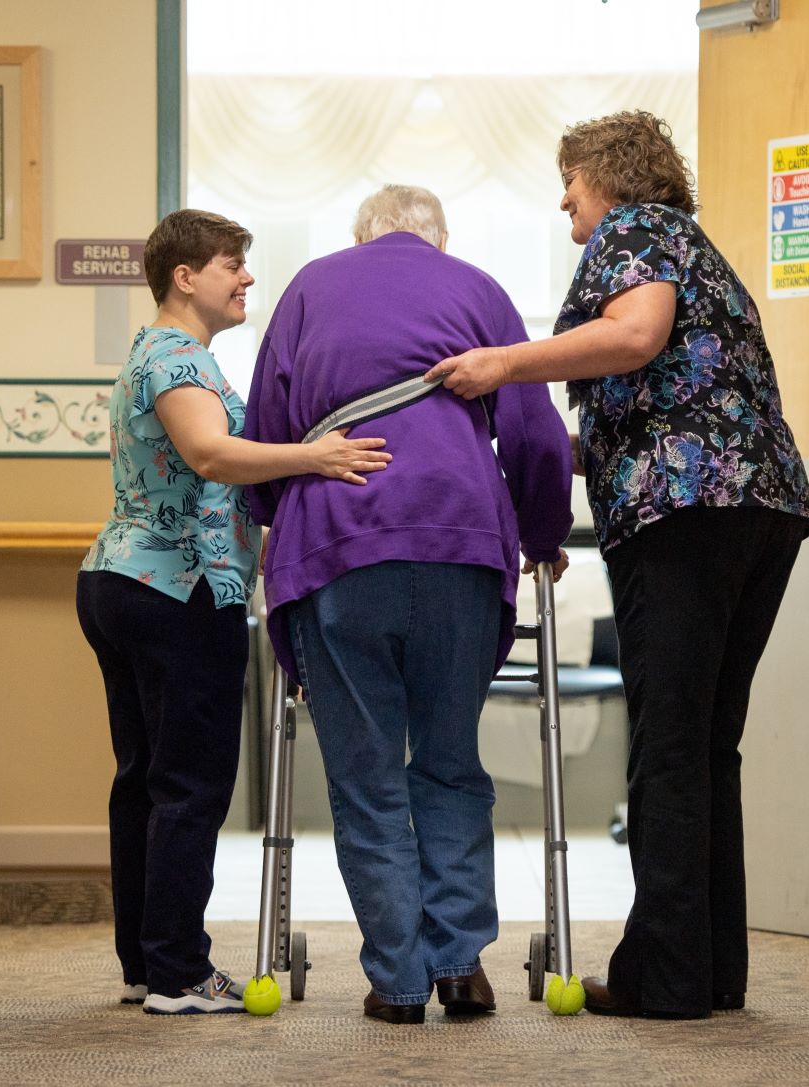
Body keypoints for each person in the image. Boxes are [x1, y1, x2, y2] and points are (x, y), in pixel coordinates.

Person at [428, 111, 809, 1019]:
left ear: (607, 175)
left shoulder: (635, 229)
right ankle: (713, 969)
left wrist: (502, 366)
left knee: (670, 747)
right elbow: (661, 383)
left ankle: (666, 980)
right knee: (709, 744)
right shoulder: (699, 246)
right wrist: (548, 451)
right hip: (761, 506)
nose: (565, 205)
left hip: (683, 509)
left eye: (569, 184)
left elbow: (637, 335)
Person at [244, 184, 573, 1024]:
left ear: (363, 236)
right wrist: (540, 535)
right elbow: (535, 434)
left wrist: (273, 521)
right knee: (451, 760)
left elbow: (272, 432)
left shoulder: (312, 286)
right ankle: (460, 965)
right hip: (463, 543)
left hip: (341, 547)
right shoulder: (478, 289)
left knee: (365, 776)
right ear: (440, 239)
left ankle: (397, 981)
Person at [76, 209, 392, 1016]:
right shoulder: (179, 356)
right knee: (189, 783)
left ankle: (149, 962)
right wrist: (314, 457)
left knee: (146, 780)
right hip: (174, 590)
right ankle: (180, 972)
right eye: (231, 265)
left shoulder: (157, 355)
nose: (247, 278)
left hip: (125, 581)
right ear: (186, 277)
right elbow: (211, 454)